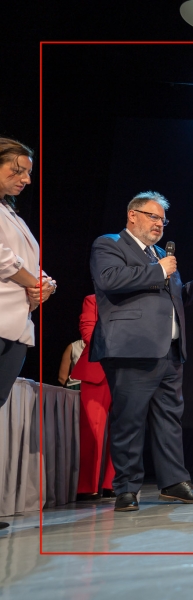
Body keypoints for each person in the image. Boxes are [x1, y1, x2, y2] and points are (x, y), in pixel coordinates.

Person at [89, 191, 193, 512]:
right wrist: (159, 270)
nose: (159, 223)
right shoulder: (109, 244)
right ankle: (126, 489)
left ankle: (174, 483)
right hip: (131, 349)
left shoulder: (161, 255)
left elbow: (170, 299)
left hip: (169, 351)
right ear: (132, 215)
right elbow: (109, 279)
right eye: (153, 216)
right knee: (130, 420)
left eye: (163, 219)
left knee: (169, 419)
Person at [1, 139, 56, 530]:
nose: (25, 179)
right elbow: (5, 260)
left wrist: (45, 285)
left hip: (16, 328)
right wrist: (35, 283)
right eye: (17, 169)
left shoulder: (12, 214)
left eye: (28, 172)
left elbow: (31, 265)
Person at [71, 294, 115, 499]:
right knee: (92, 432)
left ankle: (113, 483)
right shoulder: (93, 299)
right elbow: (88, 332)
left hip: (129, 371)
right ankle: (87, 486)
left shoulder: (136, 299)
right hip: (98, 370)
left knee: (124, 429)